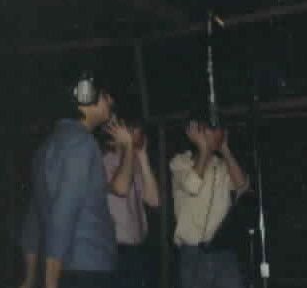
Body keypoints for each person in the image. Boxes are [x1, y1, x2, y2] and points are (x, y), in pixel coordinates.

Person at [19, 71, 135, 288]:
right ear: (87, 98)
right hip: (88, 267)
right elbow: (64, 212)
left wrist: (30, 276)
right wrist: (50, 283)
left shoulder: (45, 147)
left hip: (65, 267)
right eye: (106, 96)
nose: (111, 102)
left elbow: (33, 220)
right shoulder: (82, 143)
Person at [170, 113, 250, 288]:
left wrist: (226, 150)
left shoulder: (222, 166)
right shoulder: (180, 162)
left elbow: (242, 187)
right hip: (193, 253)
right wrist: (204, 149)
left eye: (220, 130)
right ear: (197, 131)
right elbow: (192, 185)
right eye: (213, 129)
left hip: (223, 252)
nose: (218, 133)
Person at [102, 117, 160, 288]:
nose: (138, 135)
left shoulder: (135, 162)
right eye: (134, 130)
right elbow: (121, 188)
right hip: (115, 247)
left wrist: (142, 156)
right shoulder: (105, 159)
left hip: (138, 246)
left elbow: (154, 200)